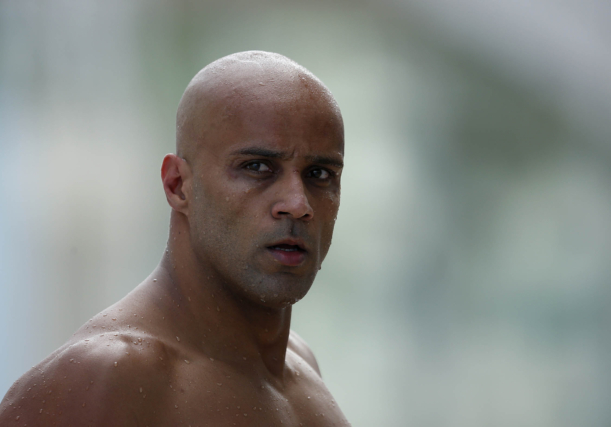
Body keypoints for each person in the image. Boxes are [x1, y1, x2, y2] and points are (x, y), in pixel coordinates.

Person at [0, 51, 350, 426]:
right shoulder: (102, 378)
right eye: (257, 167)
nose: (298, 205)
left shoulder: (300, 363)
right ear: (178, 185)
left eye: (319, 174)